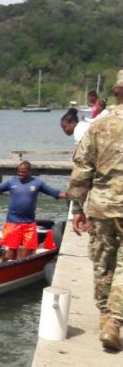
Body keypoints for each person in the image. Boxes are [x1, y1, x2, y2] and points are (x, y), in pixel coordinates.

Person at [67, 69, 123, 351]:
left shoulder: (98, 127)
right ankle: (114, 319)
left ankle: (105, 316)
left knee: (103, 263)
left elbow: (82, 170)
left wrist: (77, 207)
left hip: (101, 207)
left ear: (115, 91)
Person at [0, 161, 67, 261]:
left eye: (23, 172)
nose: (20, 174)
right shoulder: (11, 182)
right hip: (12, 223)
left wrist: (71, 195)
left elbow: (54, 193)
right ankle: (8, 268)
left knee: (28, 252)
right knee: (10, 251)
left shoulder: (37, 183)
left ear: (30, 171)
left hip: (29, 224)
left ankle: (22, 266)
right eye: (19, 172)